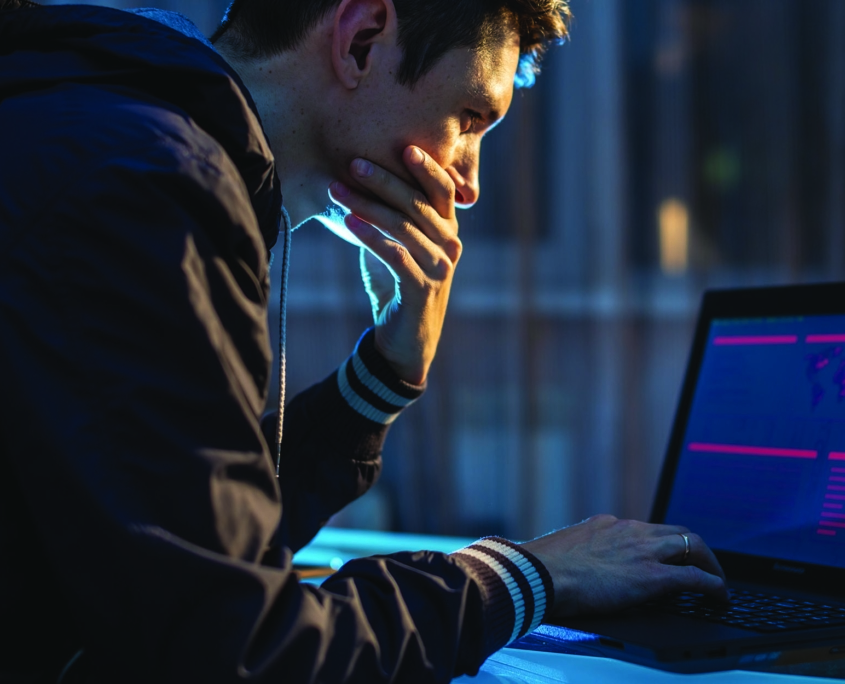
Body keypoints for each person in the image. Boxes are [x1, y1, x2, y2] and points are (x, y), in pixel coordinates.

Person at [0, 0, 729, 681]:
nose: (467, 183)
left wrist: (384, 375)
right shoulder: (143, 180)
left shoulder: (104, 132)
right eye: (470, 116)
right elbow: (239, 647)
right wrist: (532, 576)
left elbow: (182, 549)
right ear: (361, 41)